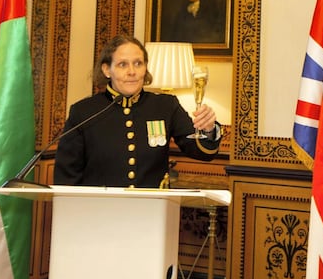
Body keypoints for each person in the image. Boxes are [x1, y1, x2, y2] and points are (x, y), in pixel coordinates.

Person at [54, 35, 221, 188]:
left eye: (138, 63)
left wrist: (209, 129)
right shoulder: (83, 111)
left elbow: (202, 152)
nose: (132, 72)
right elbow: (67, 178)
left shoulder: (165, 105)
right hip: (100, 214)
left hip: (153, 212)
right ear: (106, 70)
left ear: (145, 68)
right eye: (122, 64)